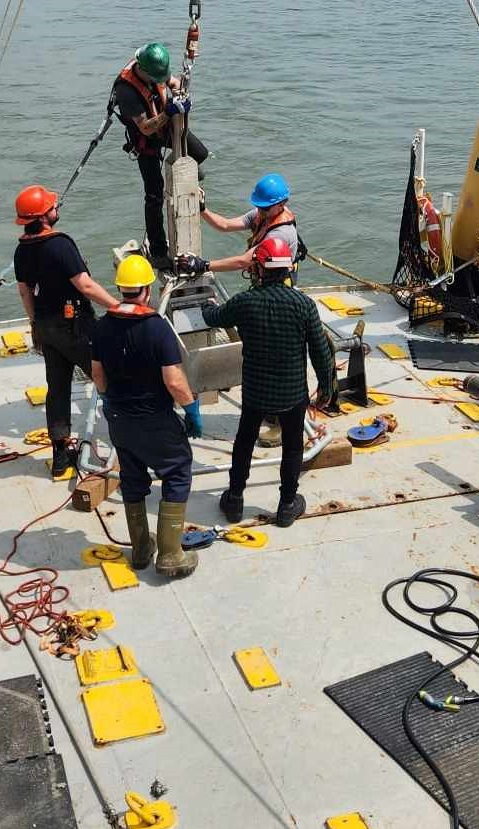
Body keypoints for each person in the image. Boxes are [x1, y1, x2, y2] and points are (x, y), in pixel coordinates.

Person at [200, 236, 335, 528]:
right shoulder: (304, 305)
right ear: (288, 269)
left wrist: (206, 302)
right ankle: (287, 505)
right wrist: (326, 387)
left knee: (245, 443)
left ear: (259, 269)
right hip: (292, 394)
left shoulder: (246, 302)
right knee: (292, 447)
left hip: (255, 394)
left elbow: (214, 317)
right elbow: (321, 351)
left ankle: (234, 500)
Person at [90, 254, 202, 579]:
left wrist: (109, 400)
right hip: (154, 417)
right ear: (147, 290)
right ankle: (169, 554)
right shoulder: (156, 328)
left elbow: (98, 374)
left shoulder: (102, 326)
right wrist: (192, 410)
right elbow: (173, 380)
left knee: (133, 477)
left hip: (119, 419)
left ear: (122, 288)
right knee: (178, 470)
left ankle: (140, 549)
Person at [11, 185, 119, 480]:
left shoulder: (22, 250)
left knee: (57, 388)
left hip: (46, 328)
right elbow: (85, 285)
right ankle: (126, 440)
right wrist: (118, 307)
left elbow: (24, 292)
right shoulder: (60, 245)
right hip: (76, 327)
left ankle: (61, 455)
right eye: (53, 206)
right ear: (46, 216)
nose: (57, 209)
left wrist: (35, 324)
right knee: (107, 378)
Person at [110, 42, 210, 272]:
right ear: (144, 71)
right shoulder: (127, 91)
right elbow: (145, 127)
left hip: (165, 126)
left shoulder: (154, 70)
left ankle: (191, 178)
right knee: (154, 194)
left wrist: (180, 94)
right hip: (146, 140)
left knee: (200, 154)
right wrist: (169, 112)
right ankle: (157, 251)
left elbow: (172, 82)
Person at [187, 173, 304, 280]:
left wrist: (204, 265)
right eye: (258, 205)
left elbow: (243, 261)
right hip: (262, 279)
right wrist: (203, 209)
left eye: (265, 207)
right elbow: (225, 225)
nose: (260, 210)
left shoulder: (280, 234)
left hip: (279, 285)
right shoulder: (263, 214)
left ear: (281, 204)